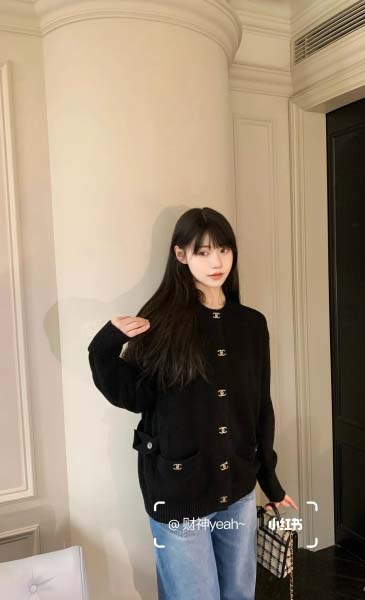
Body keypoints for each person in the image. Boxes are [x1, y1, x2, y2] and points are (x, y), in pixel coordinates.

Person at [87, 206, 298, 600]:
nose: (216, 262)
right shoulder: (162, 322)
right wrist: (105, 346)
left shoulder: (251, 324)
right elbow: (134, 395)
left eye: (224, 250)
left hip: (237, 488)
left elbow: (259, 408)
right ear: (180, 254)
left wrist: (269, 481)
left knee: (239, 593)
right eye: (203, 252)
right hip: (178, 490)